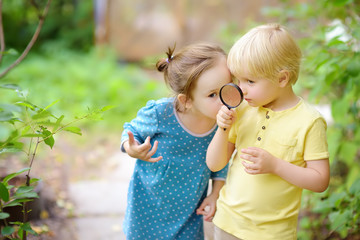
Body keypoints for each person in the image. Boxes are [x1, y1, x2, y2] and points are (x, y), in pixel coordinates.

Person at [206, 23, 330, 240]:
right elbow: (214, 164)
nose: (241, 89)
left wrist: (275, 165)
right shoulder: (243, 108)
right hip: (228, 222)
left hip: (273, 233)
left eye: (250, 81)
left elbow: (320, 181)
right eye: (238, 80)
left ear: (282, 78)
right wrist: (223, 129)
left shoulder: (309, 121)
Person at [121, 42, 232, 239]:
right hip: (148, 207)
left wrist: (214, 194)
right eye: (213, 94)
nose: (224, 99)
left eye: (228, 88)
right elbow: (131, 131)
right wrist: (131, 148)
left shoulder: (222, 122)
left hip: (189, 212)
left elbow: (220, 162)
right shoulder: (161, 114)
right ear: (186, 100)